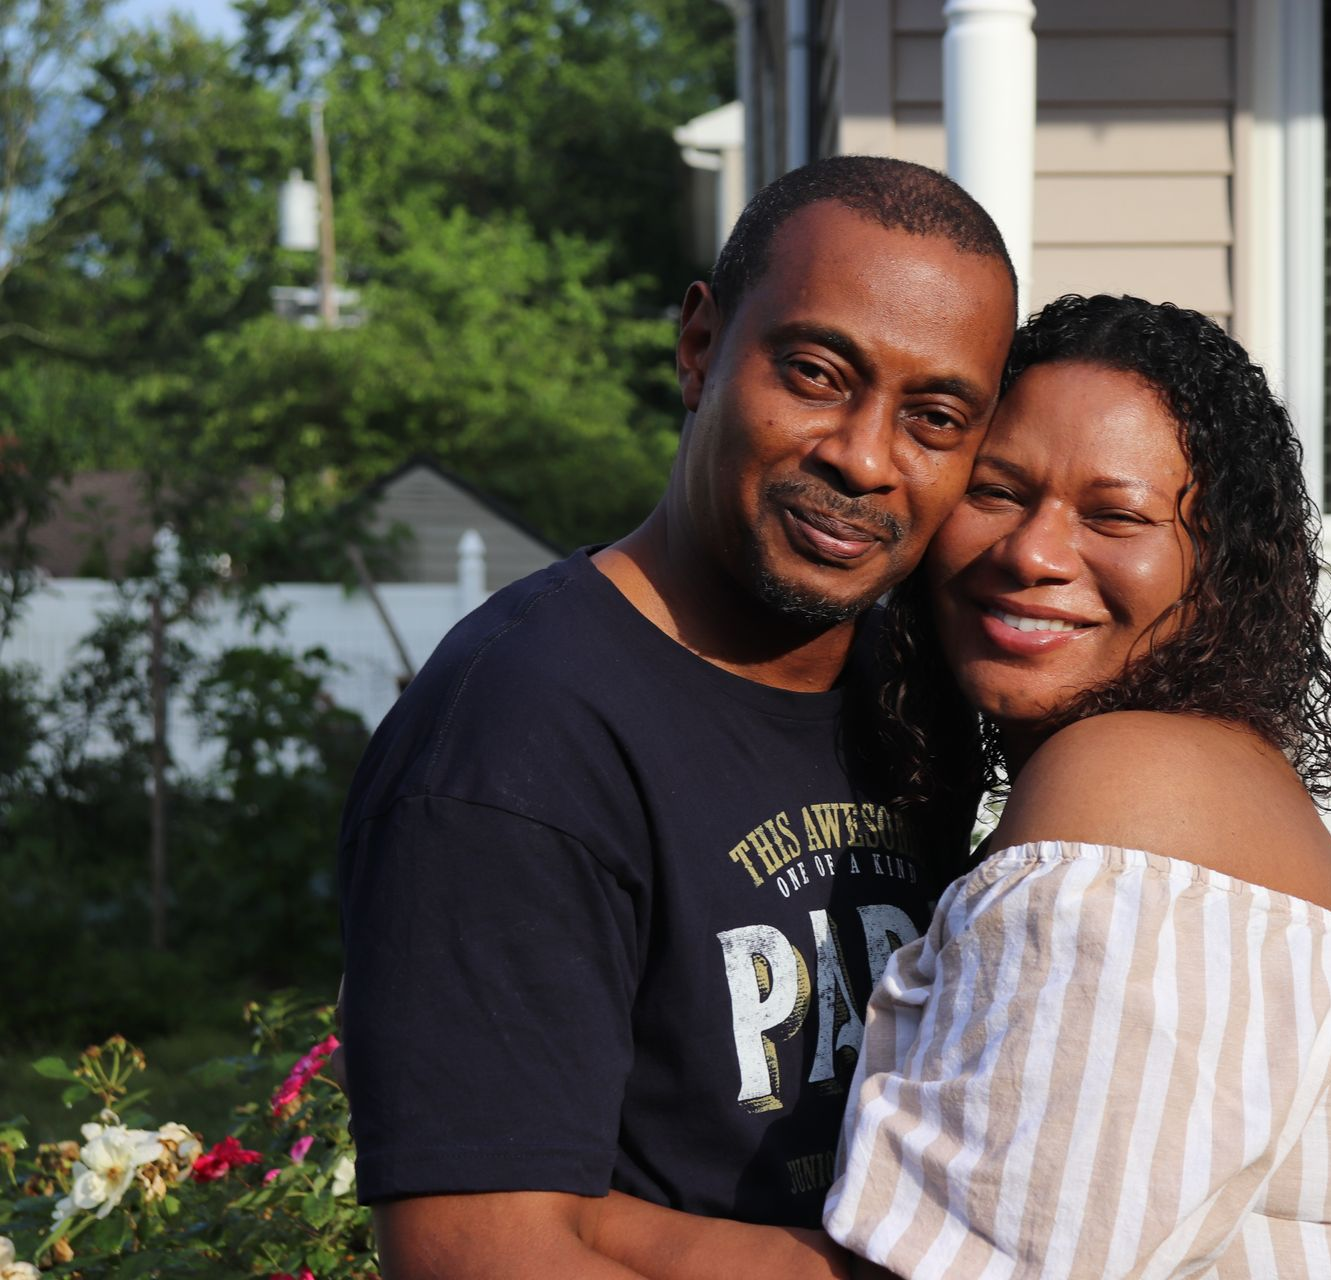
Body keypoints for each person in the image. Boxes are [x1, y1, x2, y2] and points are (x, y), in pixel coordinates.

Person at [335, 155, 1018, 1279]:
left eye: (935, 417)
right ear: (700, 346)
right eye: (814, 372)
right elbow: (477, 1255)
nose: (863, 454)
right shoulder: (520, 734)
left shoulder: (923, 679)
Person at [825, 294, 1331, 1277]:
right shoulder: (1197, 769)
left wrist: (585, 1229)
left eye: (1115, 515)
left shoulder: (1129, 783)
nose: (1032, 552)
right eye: (996, 492)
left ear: (1219, 570)